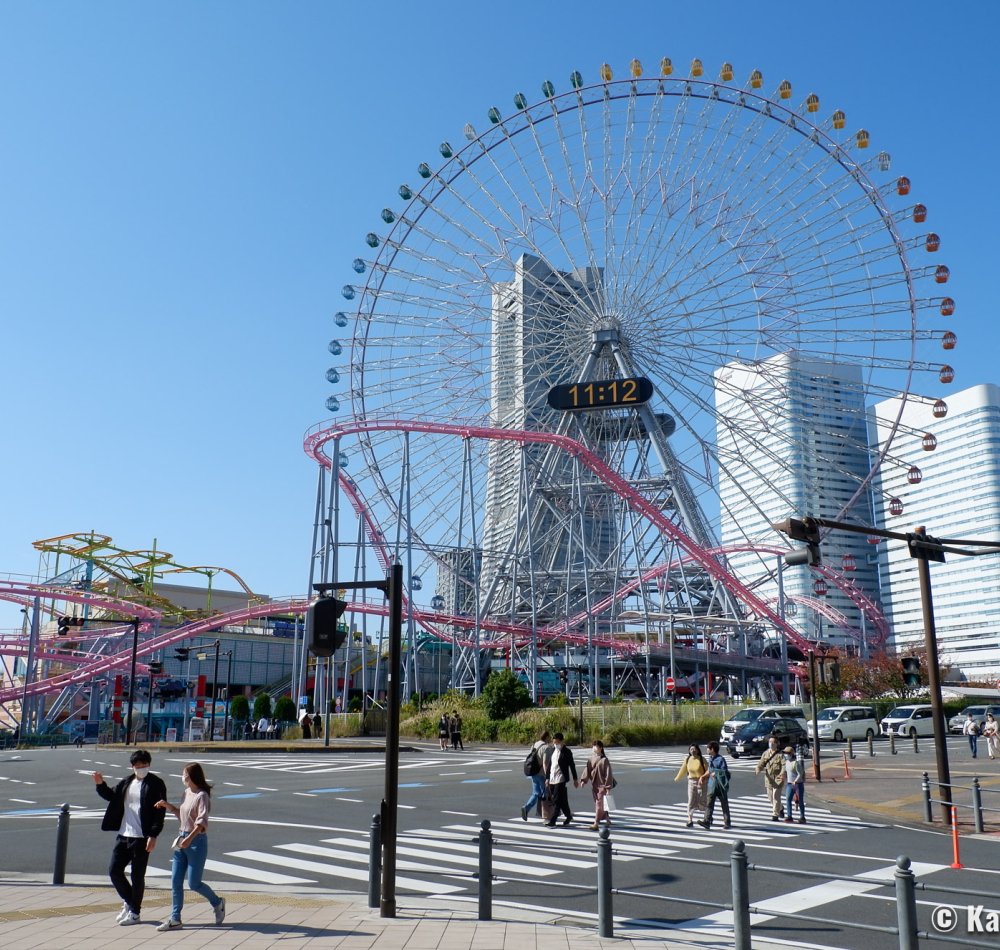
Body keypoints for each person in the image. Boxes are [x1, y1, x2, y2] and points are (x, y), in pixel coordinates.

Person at [92, 749, 167, 926]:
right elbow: (112, 796)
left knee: (137, 876)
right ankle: (129, 901)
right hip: (124, 834)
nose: (141, 768)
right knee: (114, 870)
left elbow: (159, 812)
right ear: (132, 766)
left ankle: (135, 913)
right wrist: (100, 784)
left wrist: (153, 835)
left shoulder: (156, 784)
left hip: (142, 837)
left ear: (149, 765)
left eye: (144, 765)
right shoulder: (127, 781)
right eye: (137, 765)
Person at [153, 762, 226, 931]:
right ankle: (175, 918)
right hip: (182, 838)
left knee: (194, 883)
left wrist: (190, 839)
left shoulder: (202, 796)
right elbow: (183, 816)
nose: (183, 777)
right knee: (176, 881)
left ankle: (217, 902)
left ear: (192, 776)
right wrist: (169, 806)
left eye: (184, 774)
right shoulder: (186, 793)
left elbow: (201, 823)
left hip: (196, 842)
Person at [578, 739, 614, 830]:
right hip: (594, 785)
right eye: (593, 746)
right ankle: (607, 819)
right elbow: (587, 770)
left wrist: (608, 787)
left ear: (601, 748)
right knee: (601, 804)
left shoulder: (604, 760)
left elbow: (608, 774)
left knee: (599, 804)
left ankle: (596, 823)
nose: (594, 748)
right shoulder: (590, 759)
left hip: (602, 786)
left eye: (596, 746)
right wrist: (583, 781)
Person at [545, 732, 578, 826]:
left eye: (557, 742)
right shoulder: (553, 750)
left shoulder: (566, 752)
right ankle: (568, 816)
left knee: (556, 799)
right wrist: (547, 778)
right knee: (561, 800)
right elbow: (550, 765)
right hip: (552, 777)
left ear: (562, 741)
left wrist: (575, 779)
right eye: (554, 743)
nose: (556, 744)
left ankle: (553, 820)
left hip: (561, 778)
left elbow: (572, 765)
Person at [674, 743, 708, 827]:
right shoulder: (688, 759)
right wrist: (677, 778)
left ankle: (707, 817)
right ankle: (690, 819)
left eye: (694, 749)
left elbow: (708, 770)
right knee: (691, 800)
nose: (693, 751)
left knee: (702, 800)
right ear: (689, 751)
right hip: (691, 781)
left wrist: (705, 778)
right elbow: (683, 769)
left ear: (698, 750)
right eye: (691, 749)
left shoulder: (701, 759)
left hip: (701, 782)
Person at [521, 731, 551, 821]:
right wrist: (547, 776)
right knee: (545, 793)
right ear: (547, 737)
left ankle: (526, 808)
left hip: (533, 772)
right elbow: (545, 763)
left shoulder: (534, 744)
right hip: (541, 773)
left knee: (536, 793)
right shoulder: (546, 747)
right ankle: (547, 815)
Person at [754, 736, 786, 821]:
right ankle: (781, 808)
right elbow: (761, 763)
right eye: (769, 742)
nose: (771, 744)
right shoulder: (766, 753)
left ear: (776, 744)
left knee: (776, 796)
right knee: (770, 797)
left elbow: (784, 765)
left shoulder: (780, 755)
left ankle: (775, 814)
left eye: (773, 742)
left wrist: (782, 774)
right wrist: (758, 769)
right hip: (769, 778)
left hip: (778, 778)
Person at [783, 746, 806, 824]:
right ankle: (789, 816)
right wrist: (783, 777)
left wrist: (795, 781)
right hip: (789, 784)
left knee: (800, 801)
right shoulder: (787, 762)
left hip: (798, 784)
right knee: (788, 799)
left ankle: (802, 816)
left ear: (791, 754)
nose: (786, 755)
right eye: (785, 753)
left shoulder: (795, 763)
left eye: (787, 753)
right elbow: (786, 772)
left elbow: (800, 773)